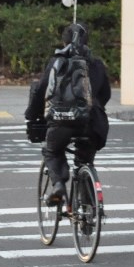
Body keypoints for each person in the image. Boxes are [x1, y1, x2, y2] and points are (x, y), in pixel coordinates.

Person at [25, 22, 111, 206]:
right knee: (85, 159)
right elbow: (106, 95)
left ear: (64, 41)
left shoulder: (57, 62)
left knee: (52, 151)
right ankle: (89, 209)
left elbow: (40, 91)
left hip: (62, 121)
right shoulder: (96, 64)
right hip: (93, 124)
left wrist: (32, 116)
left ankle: (58, 187)